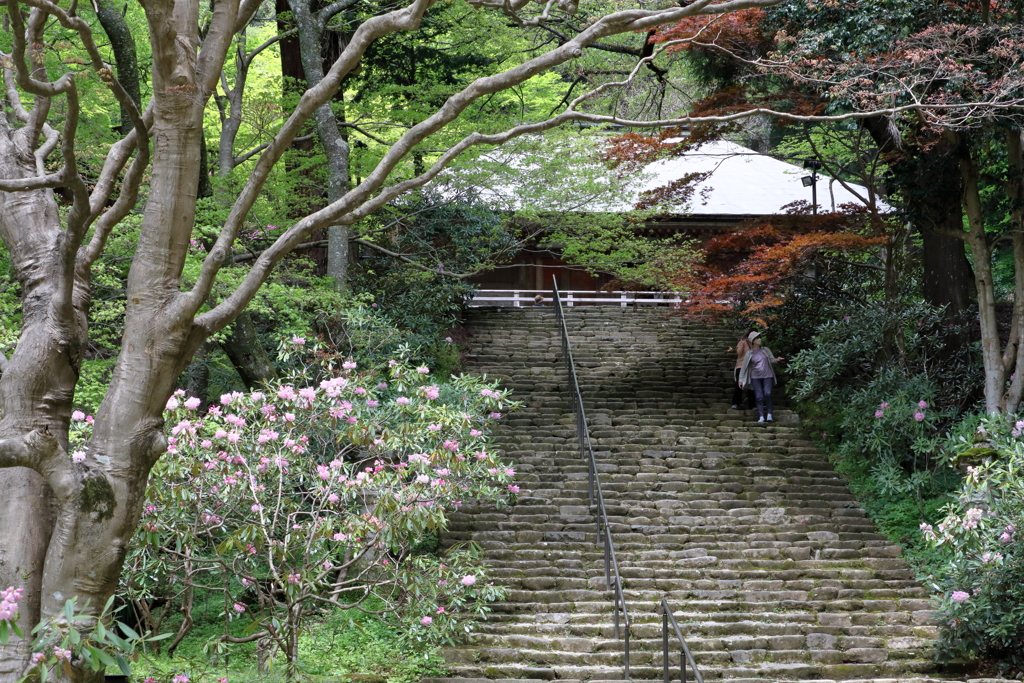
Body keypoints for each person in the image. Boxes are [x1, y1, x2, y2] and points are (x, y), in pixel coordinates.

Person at [738, 331, 784, 423]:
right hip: (755, 377)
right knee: (759, 396)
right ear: (752, 340)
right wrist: (740, 379)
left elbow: (771, 360)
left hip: (768, 375)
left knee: (767, 393)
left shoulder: (765, 350)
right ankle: (761, 416)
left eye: (759, 337)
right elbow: (744, 367)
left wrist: (777, 360)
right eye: (757, 338)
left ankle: (770, 414)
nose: (759, 339)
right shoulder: (749, 353)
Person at [728, 327, 755, 410]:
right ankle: (736, 402)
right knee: (739, 385)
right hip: (741, 365)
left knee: (752, 386)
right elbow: (739, 353)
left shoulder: (756, 344)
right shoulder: (743, 342)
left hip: (752, 367)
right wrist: (742, 344)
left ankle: (752, 404)